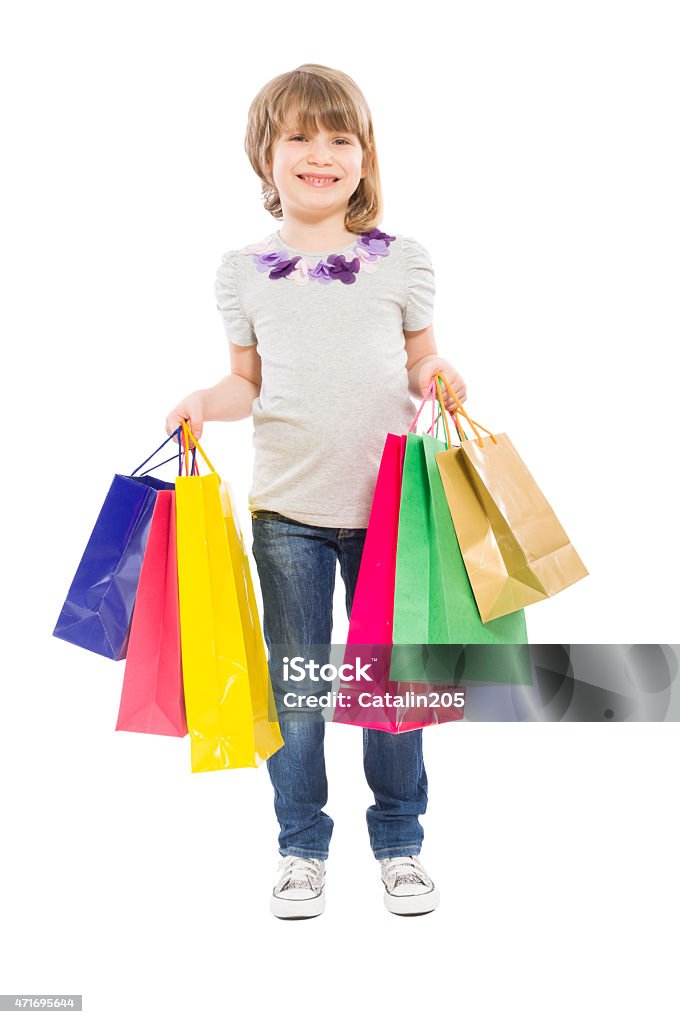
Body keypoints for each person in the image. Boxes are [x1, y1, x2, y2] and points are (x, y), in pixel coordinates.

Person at [165, 63, 468, 920]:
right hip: (288, 514)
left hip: (389, 510)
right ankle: (301, 848)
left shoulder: (401, 260)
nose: (321, 154)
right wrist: (201, 405)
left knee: (391, 687)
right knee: (297, 689)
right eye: (299, 136)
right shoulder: (243, 271)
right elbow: (244, 386)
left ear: (365, 158)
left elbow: (419, 361)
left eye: (341, 138)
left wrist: (440, 371)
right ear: (265, 156)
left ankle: (400, 845)